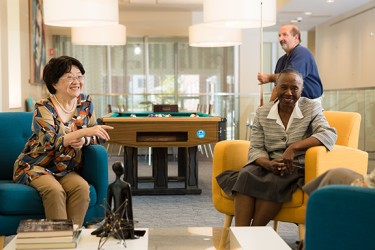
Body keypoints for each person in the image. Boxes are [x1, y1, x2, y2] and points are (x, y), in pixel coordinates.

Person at [216, 68, 337, 227]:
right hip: (268, 164)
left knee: (276, 180)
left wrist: (293, 148)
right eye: (284, 87)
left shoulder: (311, 108)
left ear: (301, 89)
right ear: (276, 88)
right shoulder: (263, 112)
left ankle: (254, 232)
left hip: (295, 167)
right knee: (245, 173)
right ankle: (241, 233)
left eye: (294, 88)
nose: (289, 93)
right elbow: (256, 147)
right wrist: (267, 163)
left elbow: (328, 134)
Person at [13, 56, 114, 227]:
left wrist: (83, 141)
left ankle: (72, 237)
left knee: (82, 189)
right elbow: (49, 143)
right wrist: (81, 133)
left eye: (79, 76)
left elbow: (97, 136)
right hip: (35, 166)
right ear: (54, 83)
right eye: (70, 77)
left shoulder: (85, 105)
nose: (77, 81)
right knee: (54, 191)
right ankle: (58, 242)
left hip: (65, 168)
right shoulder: (43, 107)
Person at [257, 24, 323, 102]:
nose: (281, 38)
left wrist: (269, 78)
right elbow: (277, 87)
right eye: (279, 35)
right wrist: (269, 107)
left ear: (296, 37)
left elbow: (290, 78)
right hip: (291, 103)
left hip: (308, 103)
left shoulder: (302, 53)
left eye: (285, 35)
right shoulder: (281, 60)